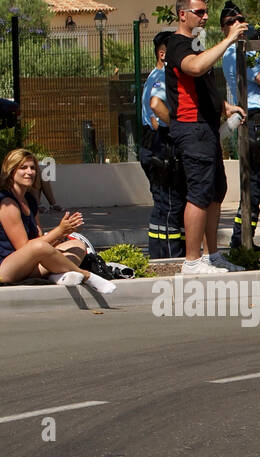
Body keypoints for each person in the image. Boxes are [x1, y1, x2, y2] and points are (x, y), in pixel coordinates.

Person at [166, 0, 248, 274]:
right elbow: (195, 68)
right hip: (191, 128)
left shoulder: (197, 44)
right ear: (182, 14)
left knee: (216, 191)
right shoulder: (177, 44)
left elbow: (201, 84)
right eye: (199, 12)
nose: (205, 17)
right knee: (200, 192)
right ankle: (192, 260)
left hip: (207, 127)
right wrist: (228, 40)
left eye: (205, 12)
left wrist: (224, 106)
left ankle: (213, 256)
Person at [0, 149, 115, 292]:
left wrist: (64, 233)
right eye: (23, 168)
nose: (29, 172)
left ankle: (57, 276)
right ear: (11, 171)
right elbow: (24, 247)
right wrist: (59, 231)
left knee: (77, 245)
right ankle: (86, 276)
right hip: (6, 268)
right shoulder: (7, 203)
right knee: (40, 248)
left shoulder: (30, 200)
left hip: (31, 263)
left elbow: (39, 238)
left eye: (33, 168)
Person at [220, 2, 260, 250]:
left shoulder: (247, 49)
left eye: (241, 19)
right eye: (231, 21)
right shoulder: (237, 52)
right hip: (255, 116)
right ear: (223, 28)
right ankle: (241, 239)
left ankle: (243, 238)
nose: (238, 24)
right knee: (255, 182)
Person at [140, 29, 186, 258]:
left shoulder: (153, 76)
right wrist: (179, 127)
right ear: (162, 54)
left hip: (152, 146)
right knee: (169, 205)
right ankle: (168, 255)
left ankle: (161, 254)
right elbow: (157, 116)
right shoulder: (161, 78)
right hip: (161, 146)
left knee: (164, 203)